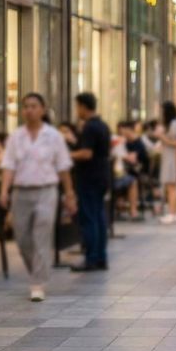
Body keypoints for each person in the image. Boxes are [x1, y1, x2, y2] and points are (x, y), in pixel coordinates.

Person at [0, 94, 76, 301]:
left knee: (42, 235)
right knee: (22, 238)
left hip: (46, 190)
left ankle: (37, 283)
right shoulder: (15, 137)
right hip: (20, 191)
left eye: (34, 106)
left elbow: (63, 167)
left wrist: (69, 193)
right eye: (26, 106)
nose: (29, 110)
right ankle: (37, 272)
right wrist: (4, 190)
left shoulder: (54, 136)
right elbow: (8, 165)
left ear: (43, 109)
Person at [70, 92, 112, 272]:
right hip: (102, 175)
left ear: (83, 106)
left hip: (89, 177)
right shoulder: (103, 126)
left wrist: (68, 154)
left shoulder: (89, 127)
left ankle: (91, 257)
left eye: (77, 106)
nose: (76, 110)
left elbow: (86, 153)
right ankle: (101, 256)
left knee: (89, 217)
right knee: (99, 216)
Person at [113, 121, 149, 219]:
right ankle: (126, 209)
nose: (121, 134)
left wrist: (123, 155)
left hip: (135, 170)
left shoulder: (137, 143)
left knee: (130, 179)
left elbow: (134, 160)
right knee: (127, 179)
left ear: (129, 130)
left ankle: (125, 208)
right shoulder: (122, 142)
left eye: (122, 132)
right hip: (122, 171)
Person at [157, 101, 176, 224]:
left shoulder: (174, 125)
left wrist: (163, 138)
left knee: (171, 186)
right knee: (173, 187)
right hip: (169, 157)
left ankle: (172, 213)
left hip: (172, 158)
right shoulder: (171, 124)